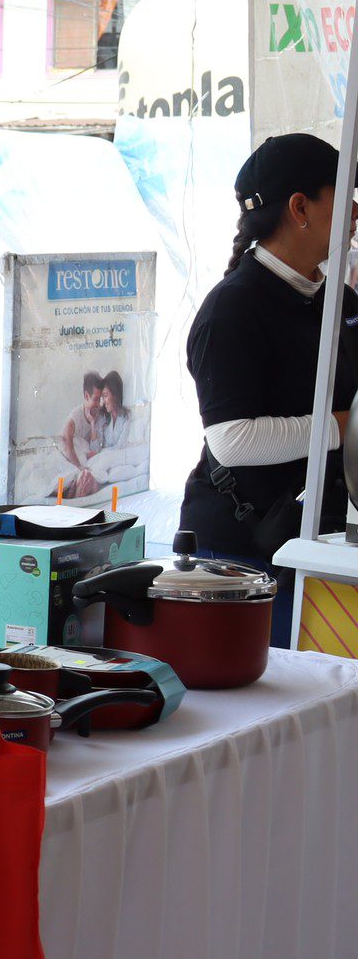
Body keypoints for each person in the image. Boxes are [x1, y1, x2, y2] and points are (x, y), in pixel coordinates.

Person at [181, 133, 358, 641]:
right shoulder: (232, 308)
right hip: (240, 555)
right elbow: (231, 440)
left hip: (315, 539)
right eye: (345, 197)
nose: (355, 212)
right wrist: (339, 429)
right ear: (300, 207)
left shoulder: (339, 302)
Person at [58, 371, 107, 497]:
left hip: (86, 456)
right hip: (70, 456)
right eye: (96, 399)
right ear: (86, 395)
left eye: (101, 399)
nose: (99, 404)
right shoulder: (75, 417)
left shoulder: (99, 416)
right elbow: (66, 444)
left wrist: (92, 424)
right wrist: (79, 467)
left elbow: (97, 448)